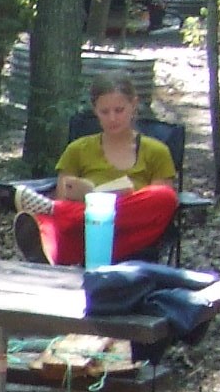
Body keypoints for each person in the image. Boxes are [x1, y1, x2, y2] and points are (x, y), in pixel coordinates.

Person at [13, 73, 178, 266]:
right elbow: (64, 194)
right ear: (95, 110)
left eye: (119, 110)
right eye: (104, 112)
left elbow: (157, 214)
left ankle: (54, 213)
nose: (112, 118)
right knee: (50, 224)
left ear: (134, 105)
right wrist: (88, 200)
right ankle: (50, 241)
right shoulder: (78, 149)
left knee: (165, 197)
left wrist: (115, 202)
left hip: (134, 233)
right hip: (85, 230)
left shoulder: (156, 151)